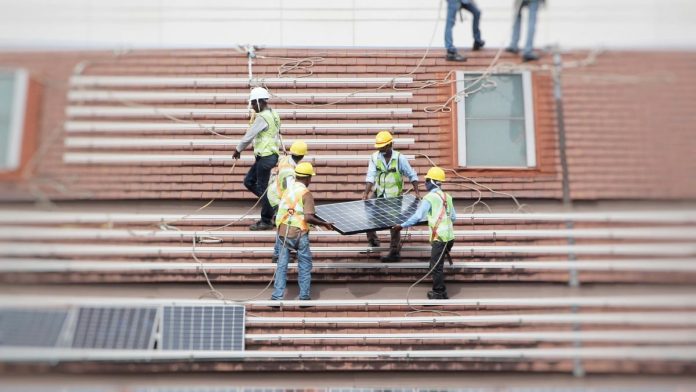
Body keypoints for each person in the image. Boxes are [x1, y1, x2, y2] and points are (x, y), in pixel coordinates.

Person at [272, 162, 334, 301]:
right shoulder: (306, 193)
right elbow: (308, 217)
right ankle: (304, 296)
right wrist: (324, 224)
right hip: (300, 234)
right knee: (305, 265)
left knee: (281, 266)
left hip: (283, 232)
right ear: (307, 178)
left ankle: (277, 296)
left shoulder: (288, 190)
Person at [393, 167, 456, 299]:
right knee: (435, 263)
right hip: (450, 238)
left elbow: (417, 216)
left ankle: (439, 292)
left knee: (436, 266)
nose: (425, 183)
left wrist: (401, 226)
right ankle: (440, 287)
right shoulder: (447, 197)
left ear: (432, 181)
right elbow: (453, 217)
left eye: (427, 180)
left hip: (440, 238)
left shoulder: (430, 198)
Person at [362, 131, 420, 263]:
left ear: (390, 145)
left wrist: (417, 192)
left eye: (383, 147)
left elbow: (412, 175)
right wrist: (366, 193)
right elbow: (370, 176)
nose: (380, 149)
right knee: (368, 214)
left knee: (394, 224)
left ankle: (394, 252)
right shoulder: (374, 157)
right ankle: (374, 243)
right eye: (379, 147)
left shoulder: (400, 158)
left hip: (394, 196)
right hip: (379, 193)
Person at [233, 87, 281, 231]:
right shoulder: (274, 114)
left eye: (254, 103)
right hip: (266, 156)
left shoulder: (262, 117)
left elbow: (250, 135)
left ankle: (266, 220)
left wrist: (238, 149)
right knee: (249, 181)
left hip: (266, 157)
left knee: (262, 189)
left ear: (260, 102)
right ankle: (272, 205)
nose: (253, 107)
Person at [268, 140, 308, 263]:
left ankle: (278, 253)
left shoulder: (286, 159)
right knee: (283, 224)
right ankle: (277, 254)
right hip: (279, 197)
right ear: (302, 156)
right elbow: (291, 192)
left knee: (282, 223)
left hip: (276, 193)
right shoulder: (289, 173)